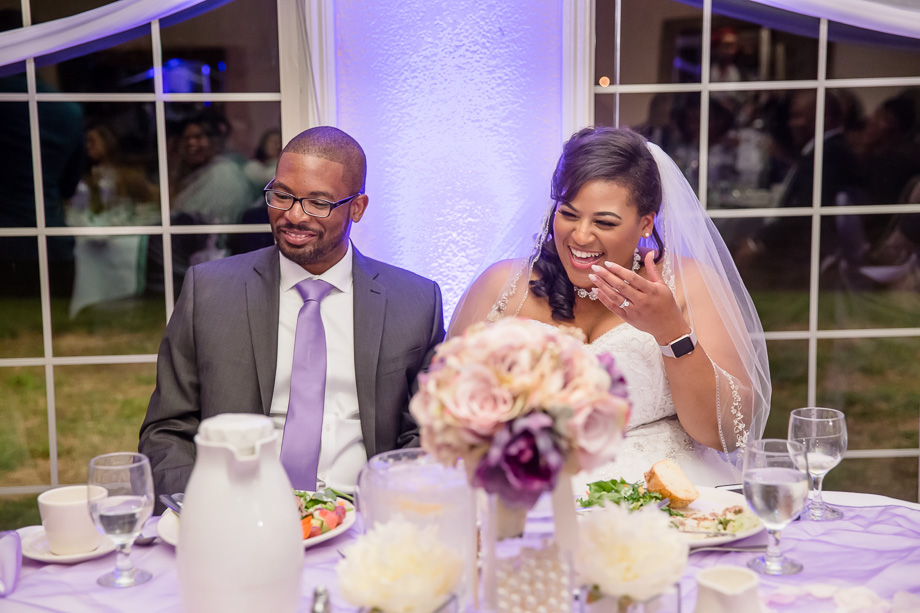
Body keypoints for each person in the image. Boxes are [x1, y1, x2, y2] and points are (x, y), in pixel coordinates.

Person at [449, 126, 770, 490]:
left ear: (646, 222)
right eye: (568, 214)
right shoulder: (501, 287)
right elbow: (448, 414)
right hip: (527, 500)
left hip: (669, 502)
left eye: (604, 222)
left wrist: (671, 332)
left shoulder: (689, 283)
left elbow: (725, 433)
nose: (582, 236)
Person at [139, 126, 445, 508]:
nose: (293, 216)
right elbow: (167, 431)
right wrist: (205, 509)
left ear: (357, 207)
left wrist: (388, 510)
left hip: (365, 519)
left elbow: (425, 435)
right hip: (236, 515)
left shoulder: (415, 301)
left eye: (318, 203)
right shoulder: (210, 291)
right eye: (282, 196)